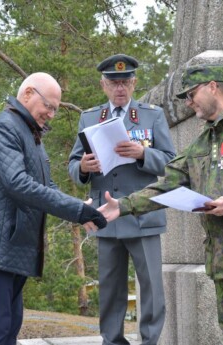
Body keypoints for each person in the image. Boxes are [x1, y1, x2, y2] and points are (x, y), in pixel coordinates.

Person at [97, 64, 223, 345]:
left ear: (213, 87)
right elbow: (167, 183)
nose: (188, 103)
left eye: (191, 94)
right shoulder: (203, 142)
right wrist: (123, 206)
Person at [0, 72, 107, 345]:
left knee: (9, 327)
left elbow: (47, 186)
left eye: (55, 109)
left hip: (12, 248)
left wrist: (81, 208)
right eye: (48, 106)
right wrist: (75, 210)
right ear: (27, 94)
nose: (51, 114)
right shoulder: (4, 128)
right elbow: (18, 184)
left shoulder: (29, 134)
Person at [68, 54, 176, 345]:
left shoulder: (152, 115)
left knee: (152, 287)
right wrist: (82, 167)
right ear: (103, 85)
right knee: (110, 290)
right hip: (105, 217)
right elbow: (73, 163)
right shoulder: (90, 118)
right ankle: (112, 341)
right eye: (114, 82)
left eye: (126, 82)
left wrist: (143, 154)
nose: (120, 88)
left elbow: (171, 162)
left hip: (143, 217)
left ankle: (150, 341)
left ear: (134, 83)